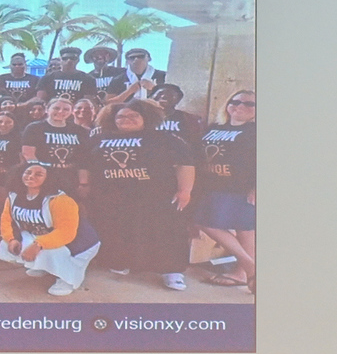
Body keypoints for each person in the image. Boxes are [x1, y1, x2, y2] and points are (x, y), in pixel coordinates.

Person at [87, 100, 194, 287]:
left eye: (133, 116)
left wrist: (185, 190)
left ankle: (172, 272)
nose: (126, 119)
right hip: (114, 196)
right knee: (119, 231)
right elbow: (86, 164)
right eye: (121, 116)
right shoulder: (99, 138)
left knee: (164, 233)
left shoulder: (165, 138)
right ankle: (122, 263)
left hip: (155, 196)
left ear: (146, 117)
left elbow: (185, 163)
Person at [0, 161, 101, 296]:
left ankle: (67, 280)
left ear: (48, 179)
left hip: (77, 243)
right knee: (6, 243)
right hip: (43, 237)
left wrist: (38, 245)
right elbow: (6, 221)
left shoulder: (60, 200)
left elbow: (66, 233)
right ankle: (44, 266)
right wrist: (11, 239)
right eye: (28, 172)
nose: (31, 176)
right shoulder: (13, 196)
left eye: (38, 174)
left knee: (51, 251)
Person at [197, 90, 256, 290]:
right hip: (211, 185)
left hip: (240, 187)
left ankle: (245, 269)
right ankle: (248, 270)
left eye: (249, 104)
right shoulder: (215, 127)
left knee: (240, 229)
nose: (240, 106)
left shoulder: (257, 131)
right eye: (235, 101)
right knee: (242, 229)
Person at [22, 97, 92, 195]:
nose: (60, 112)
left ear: (71, 112)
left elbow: (83, 159)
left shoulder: (79, 131)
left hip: (70, 176)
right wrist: (38, 175)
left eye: (66, 109)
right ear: (47, 109)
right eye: (56, 108)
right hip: (45, 175)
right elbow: (28, 154)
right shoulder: (34, 128)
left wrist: (83, 183)